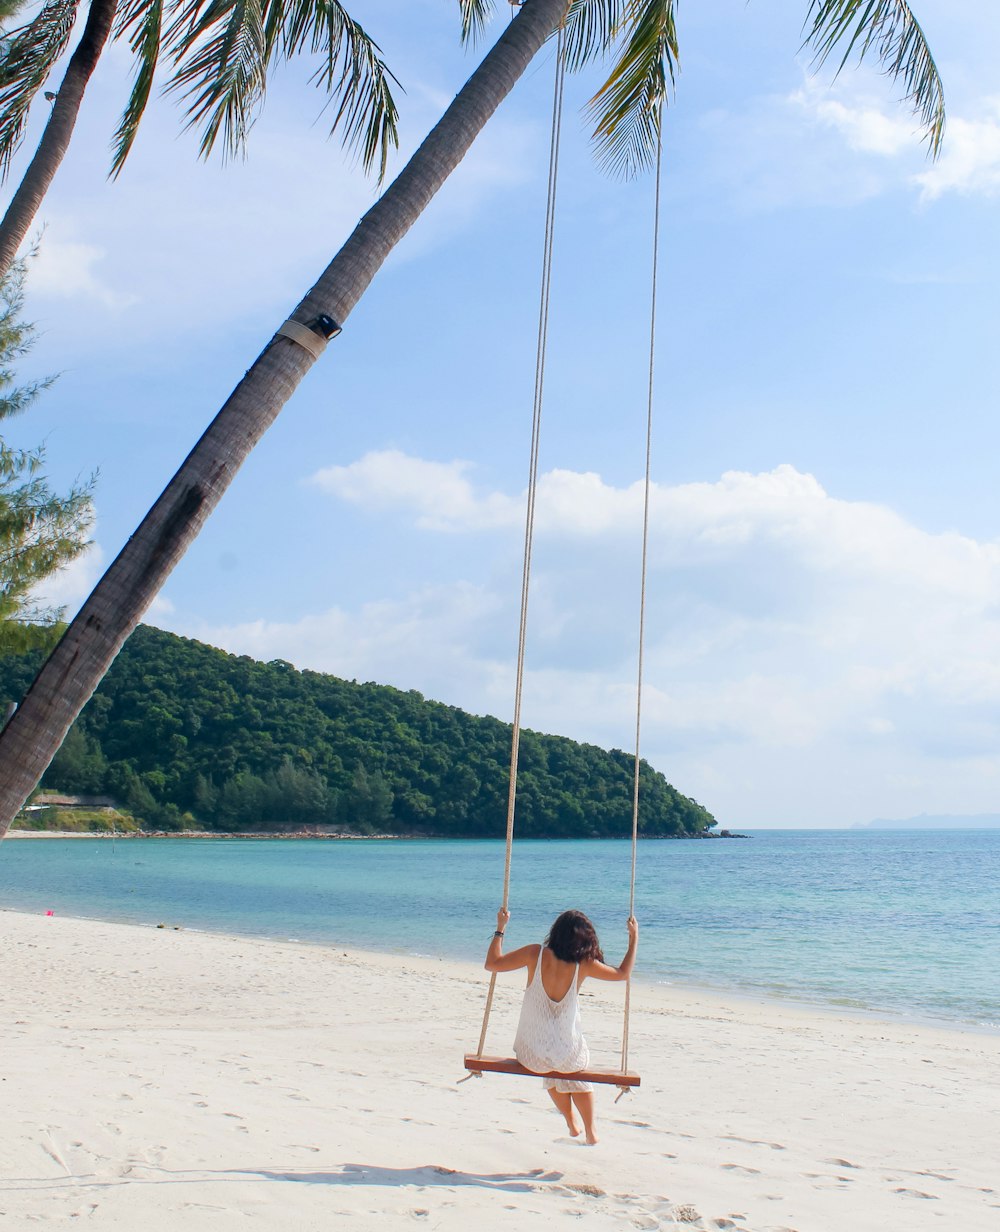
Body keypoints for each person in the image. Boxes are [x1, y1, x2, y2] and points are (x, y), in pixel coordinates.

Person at [484, 907, 639, 1145]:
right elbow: (622, 974)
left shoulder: (534, 954)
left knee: (548, 1062)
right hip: (567, 1055)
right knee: (572, 1065)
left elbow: (492, 964)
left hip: (531, 1055)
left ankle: (570, 1122)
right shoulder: (584, 964)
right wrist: (633, 938)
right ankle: (590, 1130)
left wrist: (500, 928)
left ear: (555, 932)